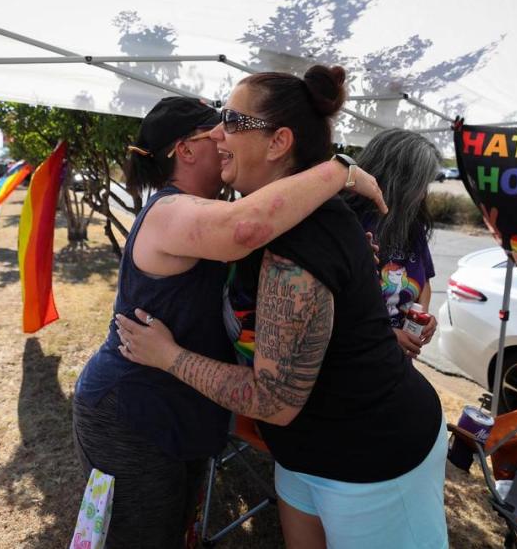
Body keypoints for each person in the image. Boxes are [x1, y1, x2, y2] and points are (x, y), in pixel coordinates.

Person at [116, 66, 448, 548]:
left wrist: (168, 356)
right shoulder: (269, 217)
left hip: (374, 458)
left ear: (278, 143)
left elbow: (273, 399)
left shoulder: (300, 241)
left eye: (231, 120)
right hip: (305, 453)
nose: (216, 132)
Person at [72, 96, 385, 549]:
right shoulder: (169, 210)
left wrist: (342, 261)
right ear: (186, 150)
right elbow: (245, 229)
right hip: (130, 411)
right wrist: (342, 170)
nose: (225, 137)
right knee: (137, 537)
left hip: (178, 403)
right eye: (215, 130)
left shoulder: (207, 211)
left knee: (176, 530)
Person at [345, 128, 441, 358]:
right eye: (420, 185)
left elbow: (424, 281)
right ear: (399, 180)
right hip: (356, 358)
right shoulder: (349, 222)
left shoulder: (412, 225)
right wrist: (384, 334)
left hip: (393, 359)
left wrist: (422, 317)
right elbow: (336, 303)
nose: (423, 195)